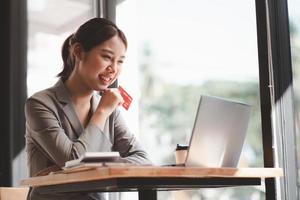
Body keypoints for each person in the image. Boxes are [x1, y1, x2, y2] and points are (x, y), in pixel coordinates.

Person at [25, 17, 151, 200]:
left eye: (120, 61)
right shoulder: (40, 104)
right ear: (78, 51)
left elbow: (142, 158)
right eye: (107, 57)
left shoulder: (109, 108)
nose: (113, 69)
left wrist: (98, 166)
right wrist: (101, 112)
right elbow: (72, 160)